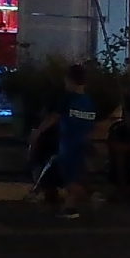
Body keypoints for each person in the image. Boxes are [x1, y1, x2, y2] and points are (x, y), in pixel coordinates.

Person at [28, 64, 99, 218]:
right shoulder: (89, 103)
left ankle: (91, 196)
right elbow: (91, 126)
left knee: (68, 179)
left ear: (69, 80)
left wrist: (38, 131)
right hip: (81, 143)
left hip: (68, 143)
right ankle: (70, 208)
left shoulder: (68, 99)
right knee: (73, 175)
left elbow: (55, 116)